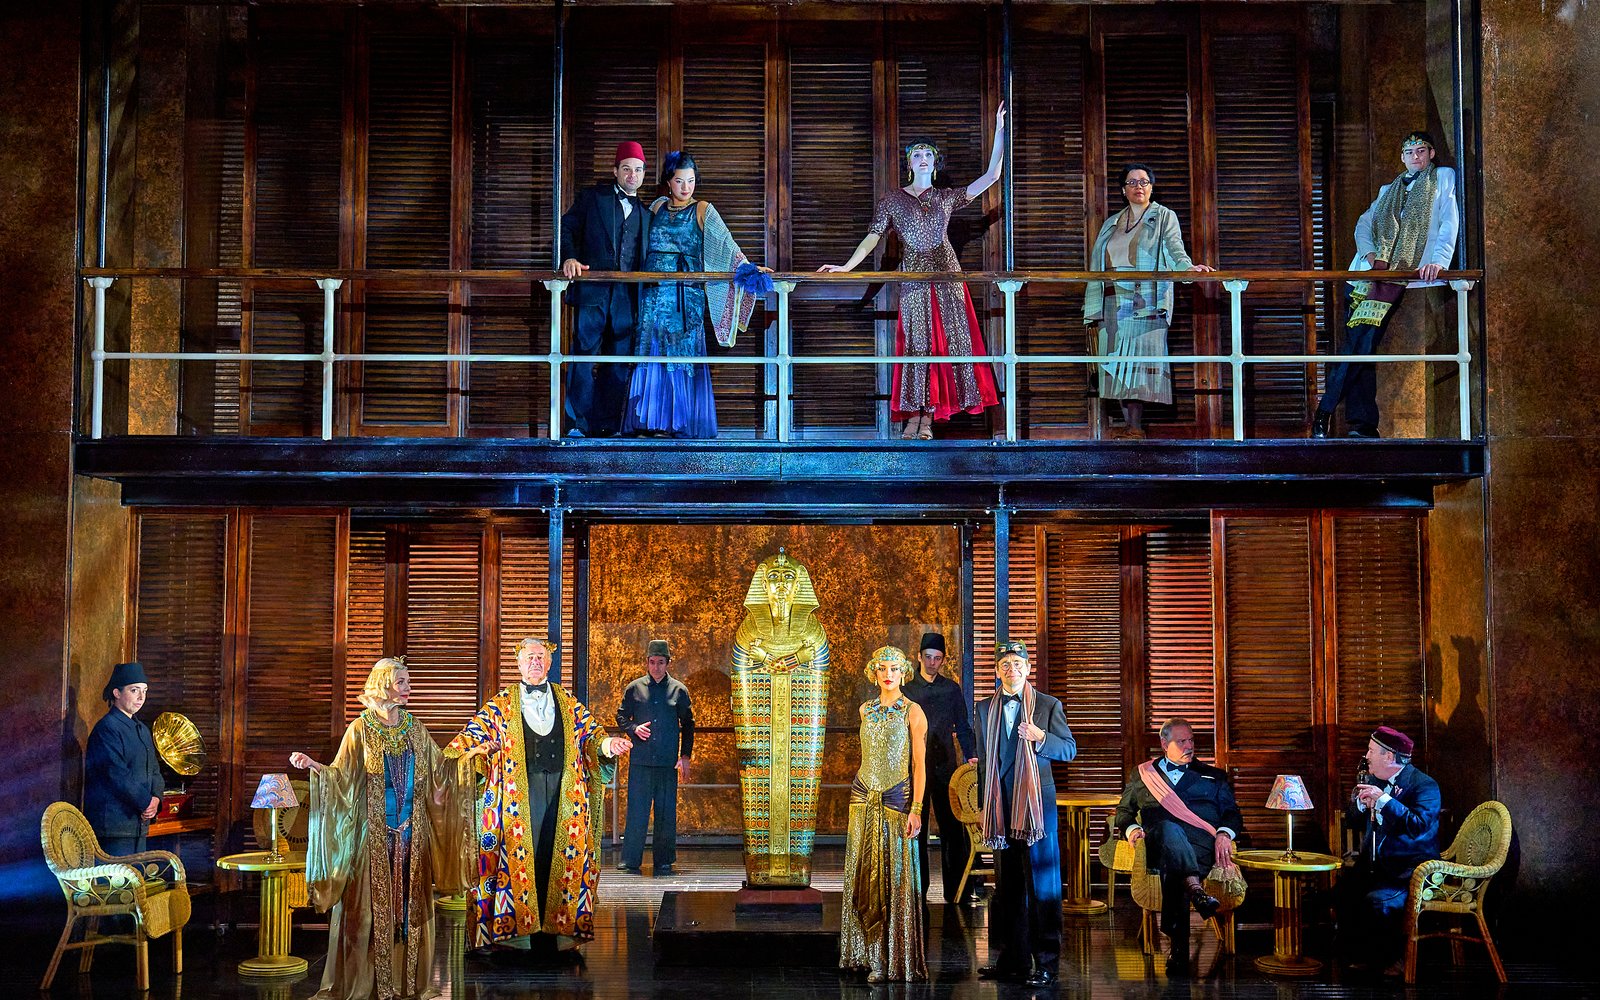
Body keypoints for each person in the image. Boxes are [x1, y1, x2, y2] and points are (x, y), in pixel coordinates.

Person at [818, 105, 1007, 440]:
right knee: (917, 345)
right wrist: (847, 265)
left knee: (946, 345)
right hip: (914, 277)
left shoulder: (946, 197)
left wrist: (998, 129)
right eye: (916, 154)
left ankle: (929, 420)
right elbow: (873, 236)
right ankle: (914, 417)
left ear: (935, 164)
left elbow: (992, 177)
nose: (922, 158)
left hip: (947, 276)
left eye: (927, 154)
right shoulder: (891, 200)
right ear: (909, 163)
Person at [290, 657, 474, 1000]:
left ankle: (410, 985)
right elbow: (341, 775)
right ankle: (365, 986)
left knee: (410, 913)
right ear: (385, 683)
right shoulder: (360, 729)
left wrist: (470, 759)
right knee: (364, 914)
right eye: (402, 682)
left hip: (411, 835)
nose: (408, 688)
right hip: (370, 837)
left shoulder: (414, 727)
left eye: (407, 682)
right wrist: (315, 766)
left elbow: (440, 772)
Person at [446, 637, 632, 954]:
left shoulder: (568, 702)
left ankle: (555, 933)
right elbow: (466, 742)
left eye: (541, 657)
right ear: (518, 664)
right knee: (519, 860)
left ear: (549, 663)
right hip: (516, 799)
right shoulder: (501, 705)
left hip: (563, 795)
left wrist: (607, 746)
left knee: (553, 857)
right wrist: (469, 754)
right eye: (529, 657)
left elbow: (593, 736)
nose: (535, 662)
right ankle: (515, 934)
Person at [1314, 131, 1460, 438]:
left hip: (1397, 274)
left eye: (1422, 151)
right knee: (1361, 346)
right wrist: (1369, 255)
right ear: (1403, 157)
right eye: (1410, 153)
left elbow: (1449, 220)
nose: (1416, 157)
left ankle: (1324, 411)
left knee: (1361, 345)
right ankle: (1361, 424)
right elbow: (1364, 223)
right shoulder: (1387, 190)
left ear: (1431, 154)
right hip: (1365, 275)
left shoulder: (1443, 178)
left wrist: (1440, 261)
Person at [623, 151, 767, 439]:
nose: (685, 187)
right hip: (652, 293)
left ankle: (679, 422)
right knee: (650, 351)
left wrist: (749, 268)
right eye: (679, 181)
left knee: (680, 354)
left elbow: (726, 246)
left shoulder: (703, 210)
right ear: (668, 182)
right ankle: (649, 422)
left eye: (690, 181)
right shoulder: (657, 207)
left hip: (684, 296)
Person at [1084, 164, 1214, 439]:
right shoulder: (1112, 222)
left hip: (1144, 300)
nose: (1138, 186)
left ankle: (1135, 427)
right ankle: (1129, 427)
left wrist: (1187, 268)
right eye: (1132, 182)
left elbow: (1174, 247)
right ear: (1123, 190)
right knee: (1113, 365)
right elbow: (1098, 260)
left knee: (1137, 364)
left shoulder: (1164, 216)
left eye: (1144, 181)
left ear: (1151, 187)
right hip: (1113, 299)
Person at [974, 641, 1076, 987]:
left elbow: (1069, 749)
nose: (1011, 669)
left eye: (1018, 663)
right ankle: (1012, 960)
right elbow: (985, 762)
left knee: (1043, 885)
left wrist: (1041, 736)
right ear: (997, 670)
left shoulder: (1048, 705)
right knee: (1008, 888)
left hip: (1036, 809)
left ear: (1028, 668)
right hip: (1001, 809)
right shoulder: (984, 708)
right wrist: (983, 806)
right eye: (1005, 664)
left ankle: (1047, 963)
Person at [1114, 717, 1244, 973]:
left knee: (1177, 868)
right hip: (1158, 846)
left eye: (1191, 740)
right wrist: (1133, 830)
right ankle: (1196, 891)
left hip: (1202, 848)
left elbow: (1232, 814)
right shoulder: (1143, 774)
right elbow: (1124, 813)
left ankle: (1179, 949)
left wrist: (1224, 834)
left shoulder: (1214, 776)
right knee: (1168, 829)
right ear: (1164, 743)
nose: (1189, 746)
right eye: (1181, 741)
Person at [839, 647, 929, 983]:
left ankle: (891, 957)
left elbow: (919, 766)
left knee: (893, 878)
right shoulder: (865, 710)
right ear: (873, 673)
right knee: (862, 870)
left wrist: (917, 809)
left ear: (904, 671)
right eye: (881, 669)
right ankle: (860, 952)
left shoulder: (913, 711)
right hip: (862, 798)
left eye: (894, 668)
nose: (888, 674)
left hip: (896, 801)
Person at [559, 141, 651, 438]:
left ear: (643, 175)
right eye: (626, 169)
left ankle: (607, 426)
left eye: (638, 170)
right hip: (593, 291)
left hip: (627, 297)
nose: (632, 175)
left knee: (619, 361)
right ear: (616, 171)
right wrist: (569, 257)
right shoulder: (592, 198)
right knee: (583, 356)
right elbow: (567, 228)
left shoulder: (647, 215)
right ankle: (577, 425)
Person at [1339, 725, 1441, 975]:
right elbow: (1351, 821)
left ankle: (1391, 960)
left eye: (1371, 751)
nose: (1366, 756)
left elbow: (1417, 825)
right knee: (1342, 892)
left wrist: (1384, 801)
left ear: (1389, 756)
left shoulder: (1424, 786)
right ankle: (1359, 956)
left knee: (1378, 903)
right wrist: (1362, 806)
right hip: (1375, 868)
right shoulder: (1374, 781)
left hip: (1408, 874)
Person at [899, 630, 978, 903]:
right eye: (928, 657)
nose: (933, 662)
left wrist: (971, 754)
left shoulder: (951, 689)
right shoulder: (906, 691)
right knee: (915, 828)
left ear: (943, 661)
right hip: (915, 769)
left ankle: (958, 891)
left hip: (946, 766)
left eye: (938, 658)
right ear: (919, 657)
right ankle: (916, 892)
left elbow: (964, 727)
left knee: (952, 829)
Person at [615, 638, 695, 876]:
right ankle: (630, 860)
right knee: (637, 811)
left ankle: (664, 860)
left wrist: (685, 756)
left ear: (668, 663)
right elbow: (621, 717)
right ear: (647, 663)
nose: (656, 667)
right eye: (652, 662)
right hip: (640, 760)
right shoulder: (634, 688)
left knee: (665, 811)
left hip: (666, 761)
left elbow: (688, 725)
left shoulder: (679, 690)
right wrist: (633, 729)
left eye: (661, 662)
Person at [83, 661, 164, 855]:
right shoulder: (107, 728)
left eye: (144, 690)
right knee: (115, 884)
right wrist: (145, 802)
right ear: (117, 693)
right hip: (113, 827)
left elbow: (154, 770)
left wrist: (156, 800)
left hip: (139, 824)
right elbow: (115, 774)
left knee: (136, 882)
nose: (141, 697)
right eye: (134, 690)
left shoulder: (142, 730)